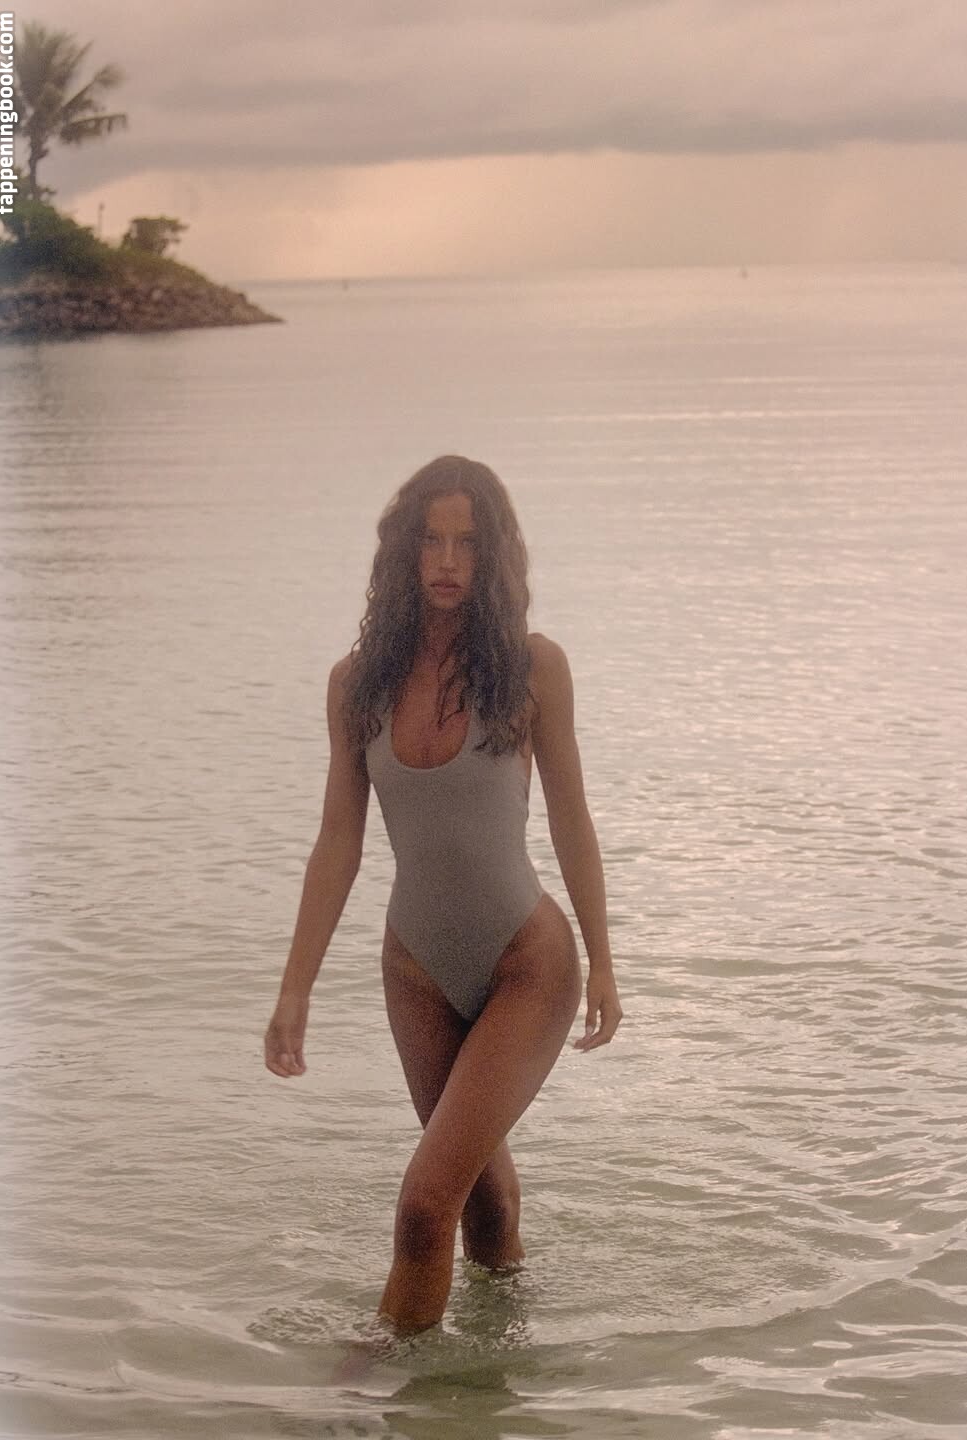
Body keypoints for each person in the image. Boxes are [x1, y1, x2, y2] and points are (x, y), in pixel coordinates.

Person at [263, 455, 622, 1336]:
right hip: (417, 970)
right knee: (481, 1203)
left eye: (467, 543)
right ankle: (498, 1371)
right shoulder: (358, 684)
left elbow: (571, 818)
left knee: (425, 1204)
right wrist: (295, 988)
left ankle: (373, 1387)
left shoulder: (532, 669)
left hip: (525, 964)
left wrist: (606, 963)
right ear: (405, 553)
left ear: (493, 555)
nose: (448, 561)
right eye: (431, 541)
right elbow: (339, 841)